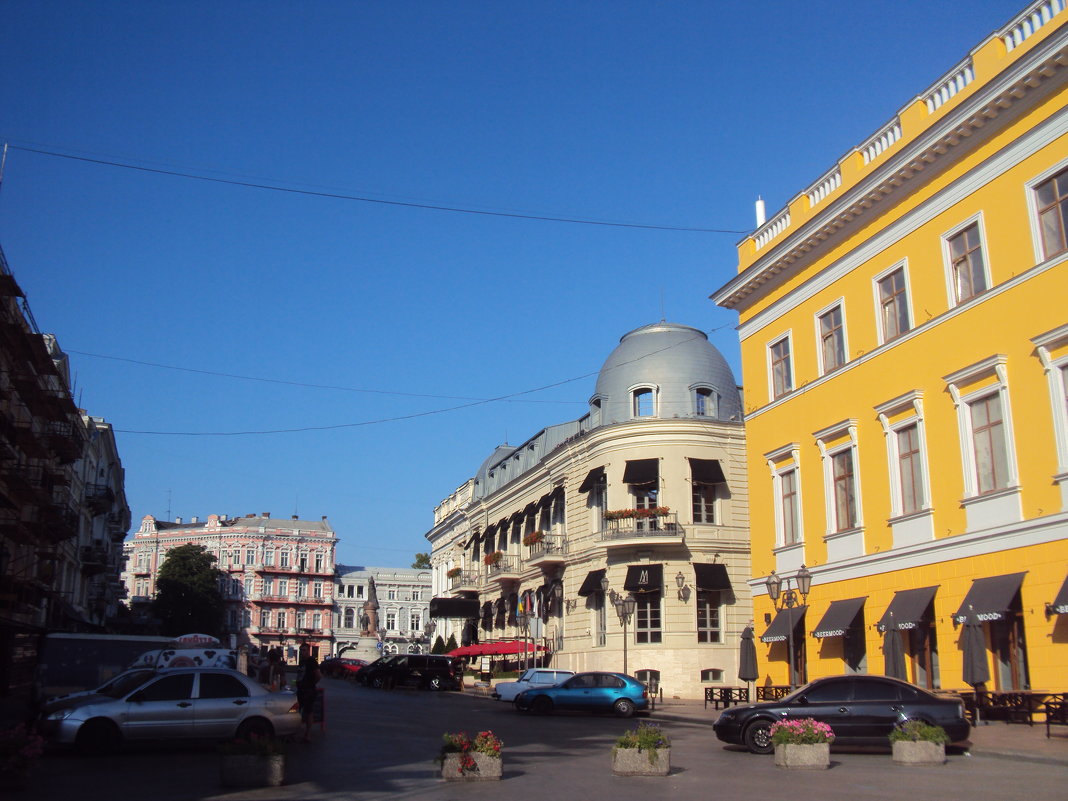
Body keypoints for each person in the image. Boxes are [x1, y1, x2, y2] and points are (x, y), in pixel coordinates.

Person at [296, 645, 321, 743]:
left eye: (304, 650)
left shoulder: (311, 661)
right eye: (301, 650)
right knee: (299, 711)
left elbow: (318, 675)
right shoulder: (301, 662)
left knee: (308, 711)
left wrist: (312, 683)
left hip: (309, 690)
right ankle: (299, 731)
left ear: (308, 651)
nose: (302, 652)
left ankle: (308, 733)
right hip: (301, 690)